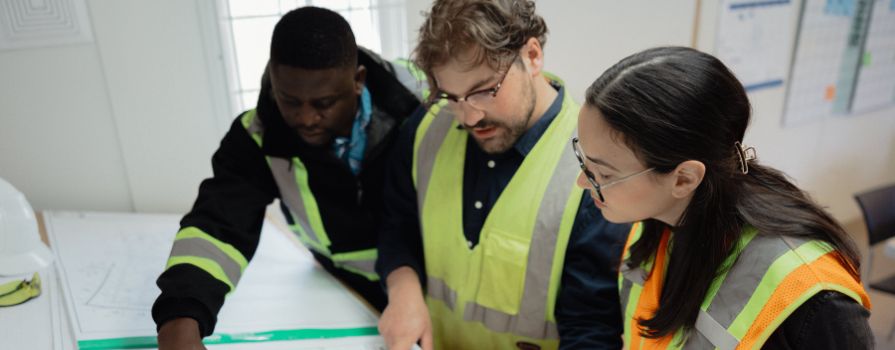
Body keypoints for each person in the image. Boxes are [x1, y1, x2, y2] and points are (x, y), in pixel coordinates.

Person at [152, 7, 425, 349]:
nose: (306, 118)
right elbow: (217, 226)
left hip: (426, 285)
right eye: (289, 100)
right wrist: (181, 319)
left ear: (358, 80)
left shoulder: (422, 104)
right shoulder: (256, 136)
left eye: (324, 102)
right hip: (340, 288)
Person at [574, 46, 873, 349]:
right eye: (583, 161)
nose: (582, 181)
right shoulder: (654, 224)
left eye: (604, 174)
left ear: (684, 178)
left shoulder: (811, 295)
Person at [375, 0, 630, 349]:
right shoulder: (427, 129)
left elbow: (591, 327)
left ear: (532, 55)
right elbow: (397, 226)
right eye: (452, 96)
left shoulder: (592, 167)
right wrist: (402, 288)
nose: (469, 117)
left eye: (484, 90)